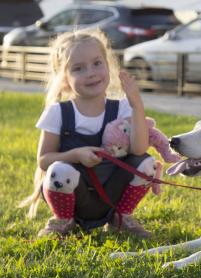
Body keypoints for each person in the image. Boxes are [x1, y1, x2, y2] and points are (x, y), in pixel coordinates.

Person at [35, 29, 153, 237]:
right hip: (74, 196)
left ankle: (121, 217)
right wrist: (76, 155)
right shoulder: (58, 112)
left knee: (148, 163)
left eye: (97, 63)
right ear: (64, 78)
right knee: (59, 170)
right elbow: (44, 160)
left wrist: (137, 107)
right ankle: (63, 221)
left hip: (112, 194)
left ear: (108, 66)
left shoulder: (123, 108)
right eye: (78, 68)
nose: (90, 72)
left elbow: (139, 149)